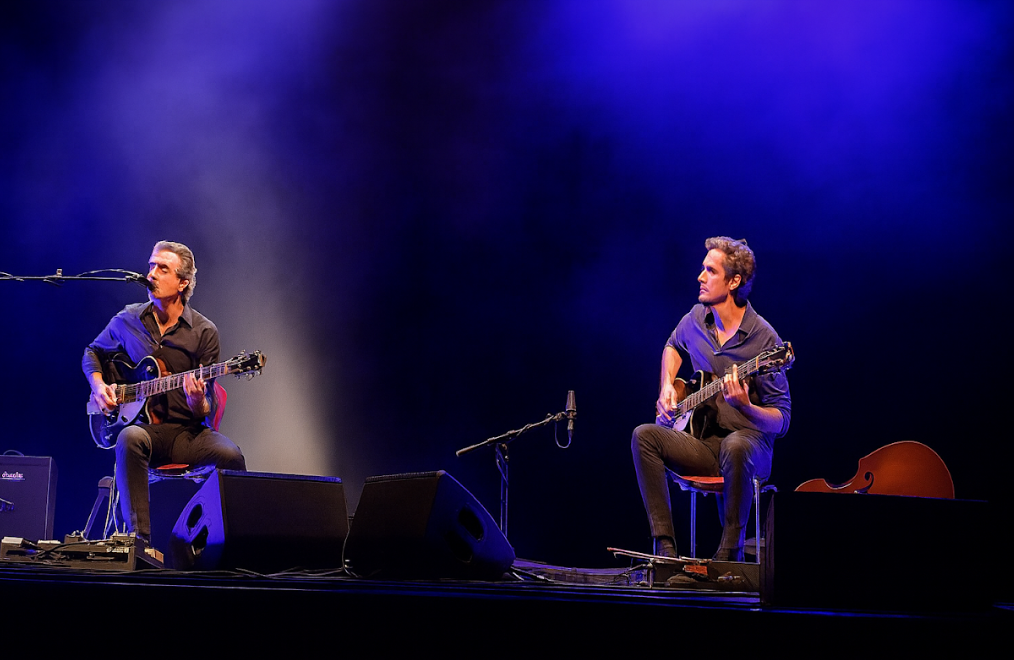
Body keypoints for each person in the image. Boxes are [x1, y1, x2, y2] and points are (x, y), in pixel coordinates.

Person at [631, 237, 791, 561]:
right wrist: (666, 386)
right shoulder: (695, 319)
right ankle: (665, 549)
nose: (700, 277)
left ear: (734, 281)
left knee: (735, 445)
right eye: (703, 269)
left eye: (710, 271)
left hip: (751, 446)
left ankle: (729, 554)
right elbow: (672, 345)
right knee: (643, 436)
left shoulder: (764, 338)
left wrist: (746, 407)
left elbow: (782, 421)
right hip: (705, 444)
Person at [83, 240, 246, 545]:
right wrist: (99, 386)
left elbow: (206, 408)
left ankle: (232, 544)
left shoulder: (204, 332)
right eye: (151, 266)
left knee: (232, 457)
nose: (152, 274)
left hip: (188, 434)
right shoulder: (128, 319)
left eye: (162, 268)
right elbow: (92, 352)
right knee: (129, 437)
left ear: (183, 283)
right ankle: (138, 543)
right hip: (146, 431)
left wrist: (197, 401)